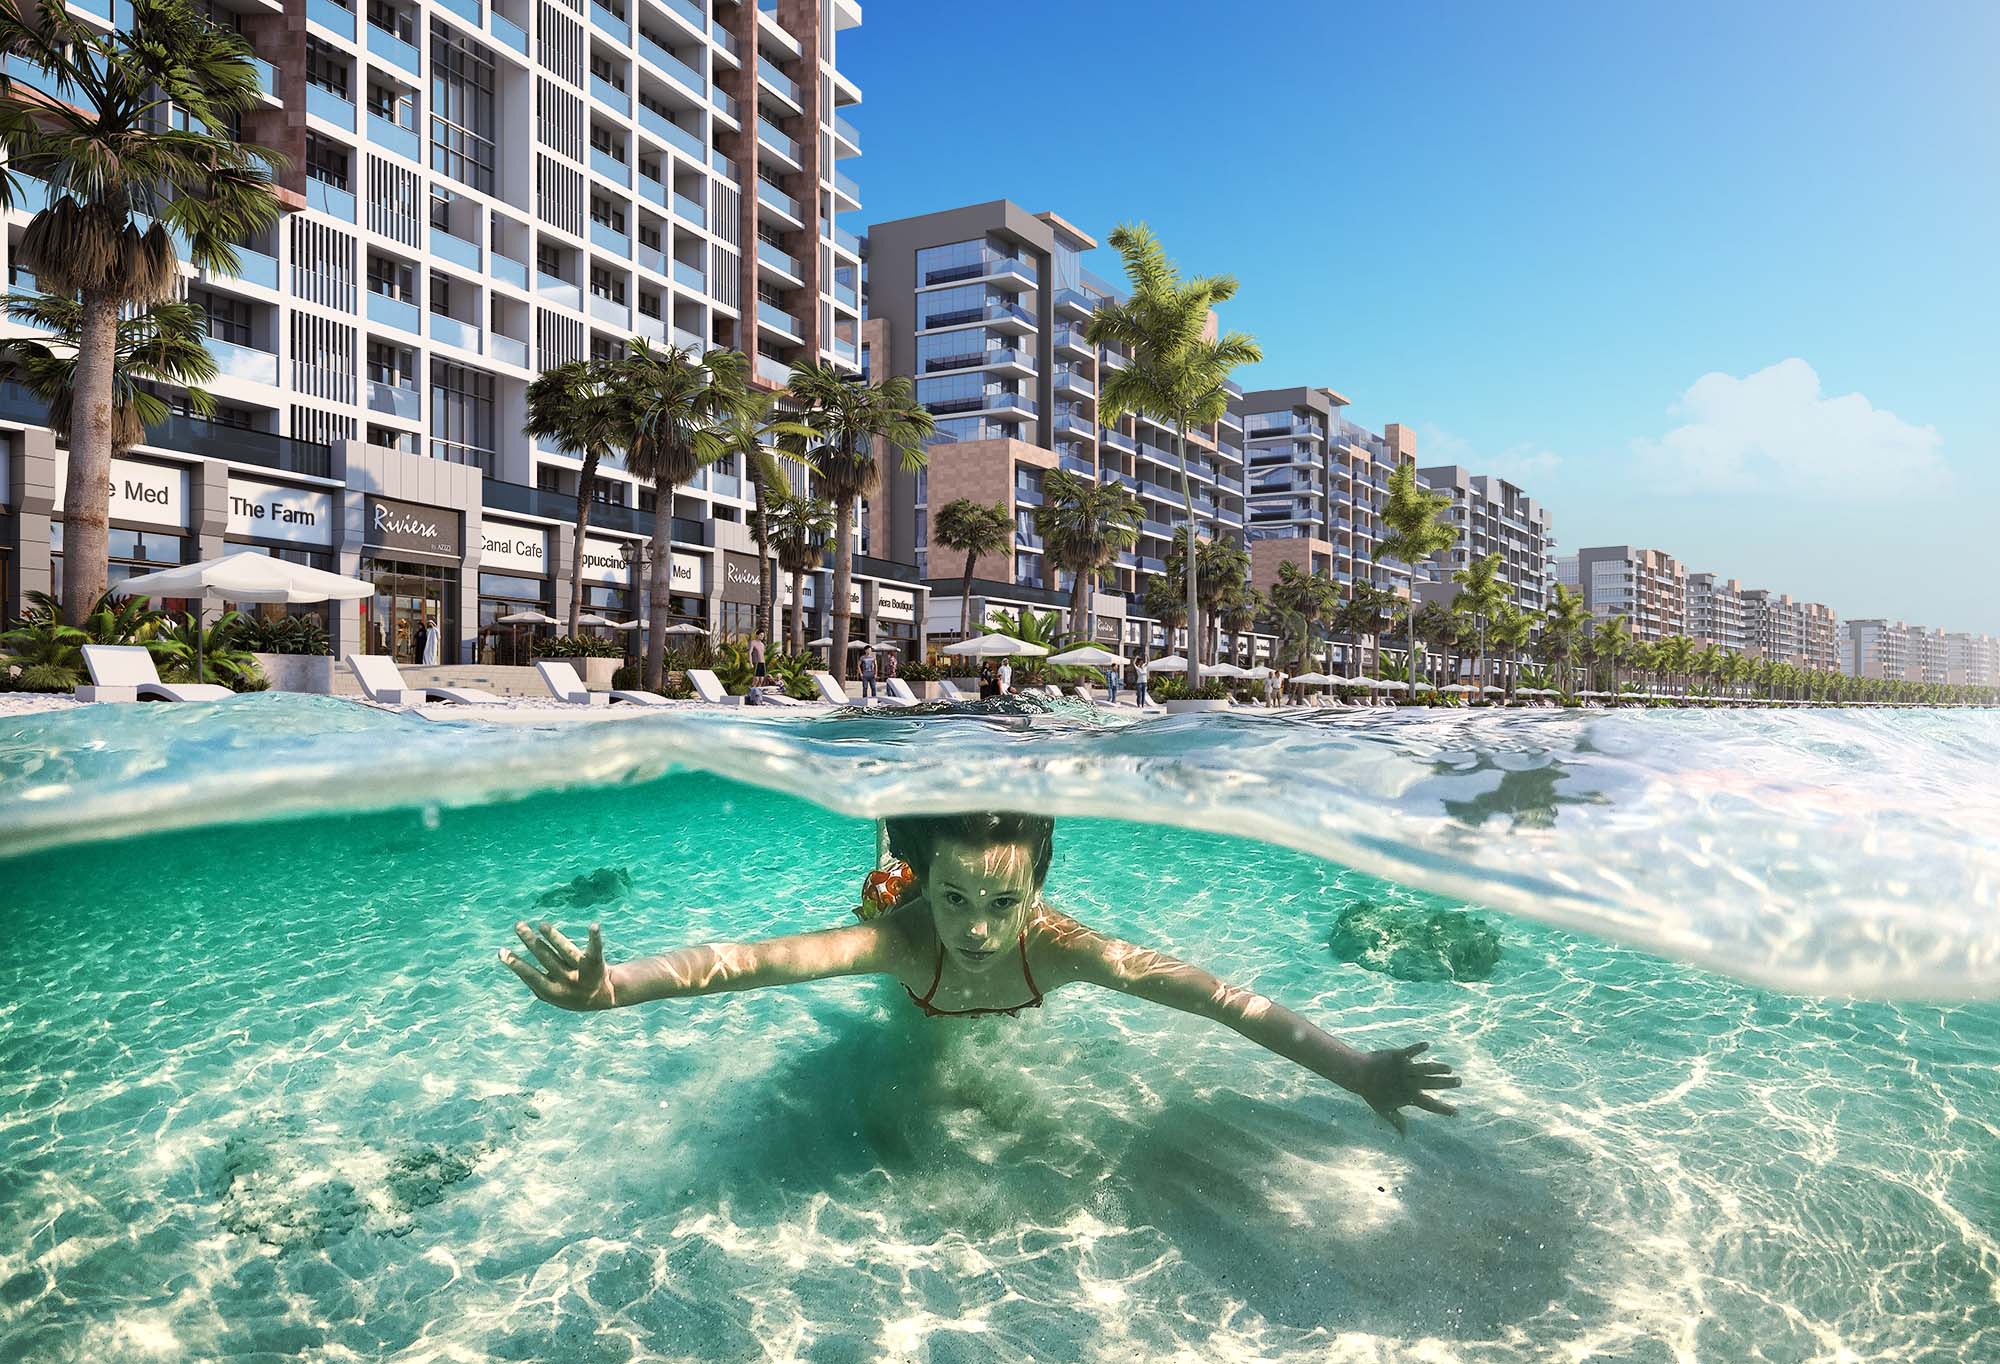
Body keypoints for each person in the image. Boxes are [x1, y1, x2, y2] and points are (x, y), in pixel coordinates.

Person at [501, 811, 1460, 1136]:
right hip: (891, 905)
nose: (977, 931)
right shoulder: (910, 937)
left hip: (945, 893)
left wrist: (1358, 1071)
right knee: (873, 902)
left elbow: (1218, 1002)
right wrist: (614, 986)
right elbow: (754, 964)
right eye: (957, 898)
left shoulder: (1070, 950)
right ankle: (890, 854)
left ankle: (900, 851)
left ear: (1039, 886)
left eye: (1003, 904)